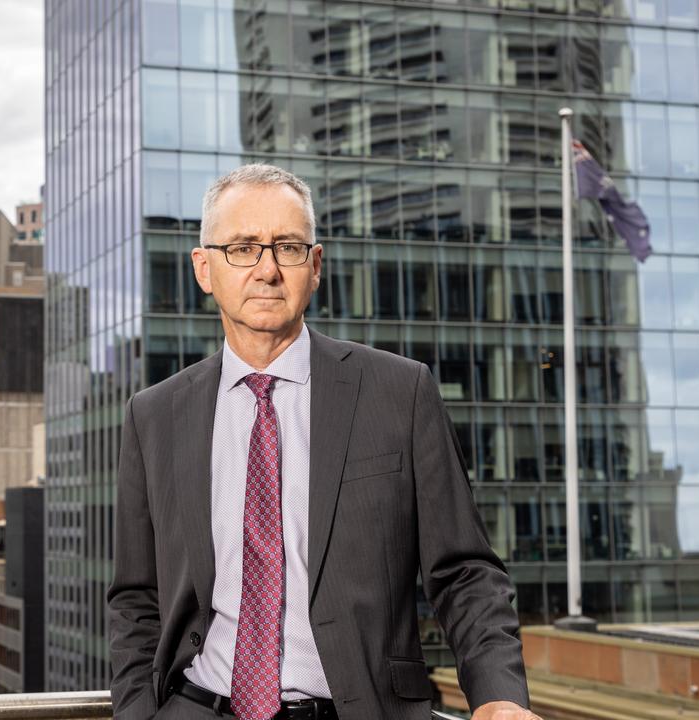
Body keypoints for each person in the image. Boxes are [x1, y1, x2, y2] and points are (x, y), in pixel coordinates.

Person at [107, 164, 540, 720]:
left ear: (315, 267)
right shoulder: (155, 415)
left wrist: (499, 697)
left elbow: (464, 573)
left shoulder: (400, 392)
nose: (266, 270)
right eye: (242, 248)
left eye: (287, 248)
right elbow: (136, 600)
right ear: (204, 268)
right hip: (197, 706)